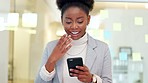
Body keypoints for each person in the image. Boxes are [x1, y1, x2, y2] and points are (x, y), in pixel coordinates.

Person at [35, 0, 112, 83]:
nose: (74, 26)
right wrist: (51, 61)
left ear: (88, 19)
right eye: (68, 22)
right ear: (62, 20)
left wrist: (92, 79)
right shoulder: (51, 47)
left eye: (80, 21)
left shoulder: (102, 49)